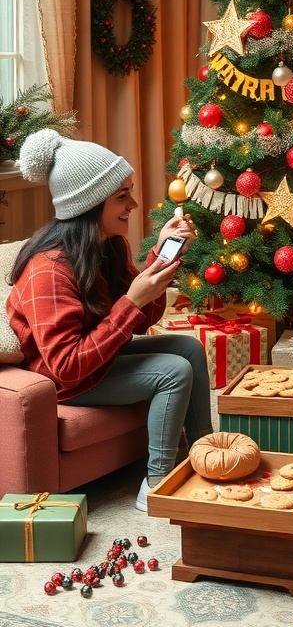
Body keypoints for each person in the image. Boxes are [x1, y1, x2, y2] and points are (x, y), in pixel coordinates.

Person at [7, 129, 213, 511]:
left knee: (188, 347)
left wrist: (159, 260)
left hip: (98, 359)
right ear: (88, 205)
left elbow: (139, 321)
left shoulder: (107, 245)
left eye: (129, 192)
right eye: (121, 196)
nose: (133, 204)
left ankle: (205, 455)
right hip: (65, 379)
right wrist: (132, 300)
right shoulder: (47, 270)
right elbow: (66, 366)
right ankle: (157, 485)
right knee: (173, 371)